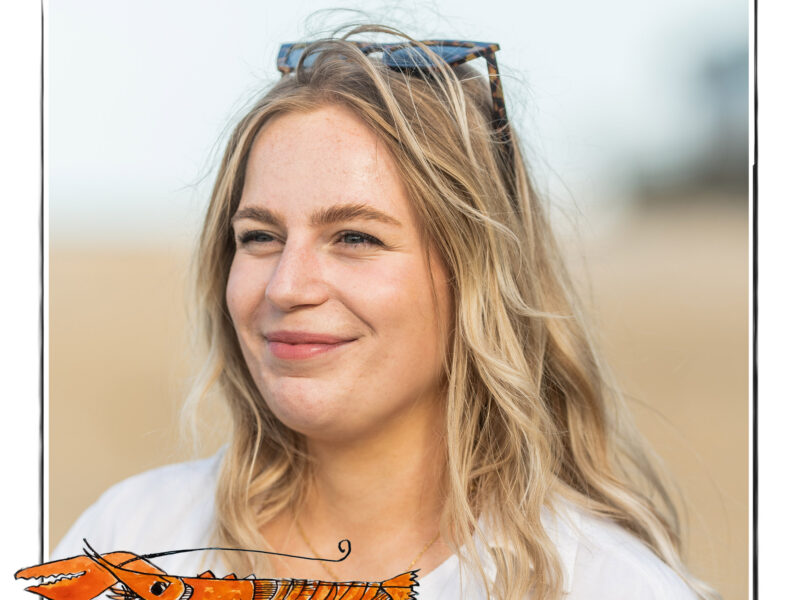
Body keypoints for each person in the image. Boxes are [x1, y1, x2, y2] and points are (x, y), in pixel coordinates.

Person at [53, 24, 718, 600]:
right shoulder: (130, 540)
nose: (286, 286)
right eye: (259, 236)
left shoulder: (604, 584)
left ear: (476, 275)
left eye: (355, 238)